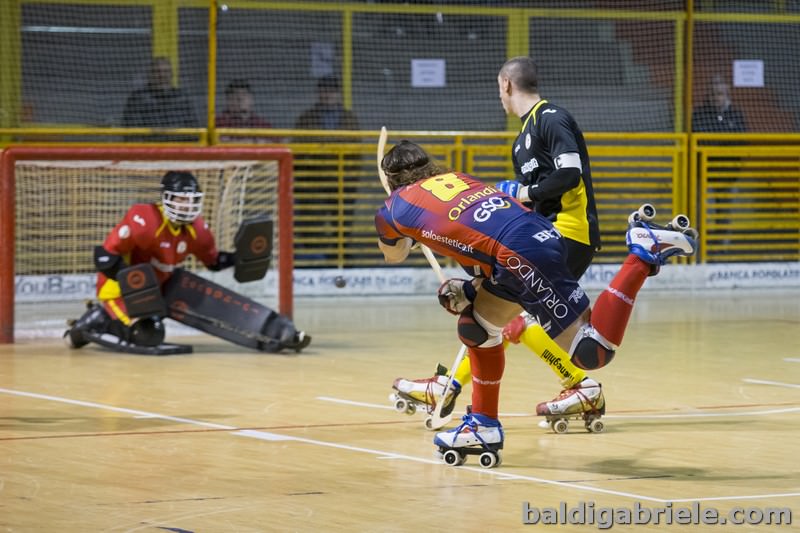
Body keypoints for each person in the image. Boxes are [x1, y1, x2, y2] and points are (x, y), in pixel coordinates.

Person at [375, 141, 696, 465]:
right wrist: (471, 290)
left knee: (592, 350)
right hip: (536, 235)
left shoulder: (392, 208)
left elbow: (394, 253)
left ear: (389, 180)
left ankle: (640, 257)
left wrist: (400, 227)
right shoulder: (457, 179)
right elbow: (481, 237)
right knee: (478, 326)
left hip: (517, 253)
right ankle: (483, 425)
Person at [392, 56, 602, 422]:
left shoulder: (551, 118)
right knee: (490, 318)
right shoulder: (522, 139)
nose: (500, 98)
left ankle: (450, 389)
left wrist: (521, 194)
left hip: (568, 232)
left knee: (491, 320)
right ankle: (580, 386)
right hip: (541, 235)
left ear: (505, 84)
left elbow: (570, 174)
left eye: (498, 90)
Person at [63, 171, 309, 354]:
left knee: (221, 303)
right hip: (121, 292)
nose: (187, 205)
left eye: (192, 200)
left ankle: (282, 332)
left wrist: (238, 258)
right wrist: (135, 285)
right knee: (150, 335)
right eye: (181, 199)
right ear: (167, 198)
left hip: (167, 286)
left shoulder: (198, 229)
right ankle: (96, 320)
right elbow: (104, 257)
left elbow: (213, 261)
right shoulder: (144, 219)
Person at [122, 57, 198, 141]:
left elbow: (194, 130)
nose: (162, 75)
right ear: (150, 75)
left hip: (178, 150)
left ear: (171, 74)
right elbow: (132, 133)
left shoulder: (182, 97)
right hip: (149, 150)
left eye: (166, 71)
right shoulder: (137, 99)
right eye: (157, 71)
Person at [294, 75, 360, 132]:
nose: (328, 95)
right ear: (318, 93)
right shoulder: (306, 117)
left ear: (339, 94)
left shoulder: (349, 117)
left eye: (332, 91)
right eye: (324, 91)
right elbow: (299, 139)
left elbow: (357, 139)